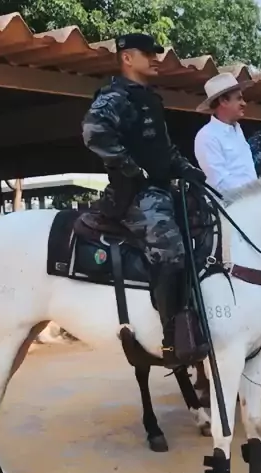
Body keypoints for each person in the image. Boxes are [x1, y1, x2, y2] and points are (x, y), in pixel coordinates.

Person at [82, 33, 209, 368]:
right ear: (127, 57)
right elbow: (93, 132)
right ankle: (172, 340)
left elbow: (164, 149)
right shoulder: (115, 96)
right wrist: (131, 168)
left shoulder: (149, 98)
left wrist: (189, 170)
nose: (156, 59)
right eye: (148, 54)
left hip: (162, 189)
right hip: (136, 195)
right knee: (171, 250)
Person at [193, 72, 257, 192]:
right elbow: (220, 183)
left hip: (251, 199)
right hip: (230, 203)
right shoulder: (207, 135)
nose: (244, 103)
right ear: (223, 101)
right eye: (239, 98)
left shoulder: (238, 130)